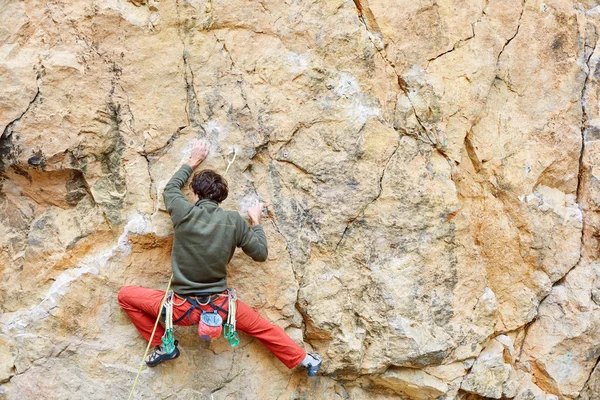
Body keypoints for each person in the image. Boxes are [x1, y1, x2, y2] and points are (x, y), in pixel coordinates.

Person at [117, 140, 322, 376]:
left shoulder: (185, 213)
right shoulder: (234, 221)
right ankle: (306, 359)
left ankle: (165, 345)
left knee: (126, 297)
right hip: (223, 308)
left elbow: (170, 189)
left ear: (195, 194)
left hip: (179, 310)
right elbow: (260, 254)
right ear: (221, 199)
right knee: (263, 328)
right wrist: (256, 223)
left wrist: (192, 161)